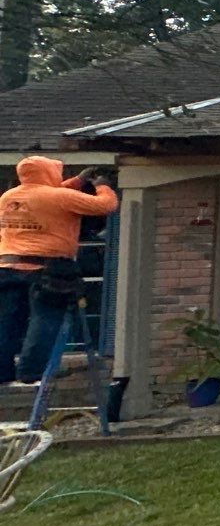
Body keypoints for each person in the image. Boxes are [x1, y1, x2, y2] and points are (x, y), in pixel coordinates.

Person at [0, 157, 119, 387]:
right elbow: (106, 206)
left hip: (6, 267)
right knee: (45, 320)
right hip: (48, 269)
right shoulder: (60, 198)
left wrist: (78, 180)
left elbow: (47, 194)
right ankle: (31, 373)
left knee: (6, 323)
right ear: (48, 172)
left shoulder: (9, 196)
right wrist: (102, 185)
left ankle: (2, 374)